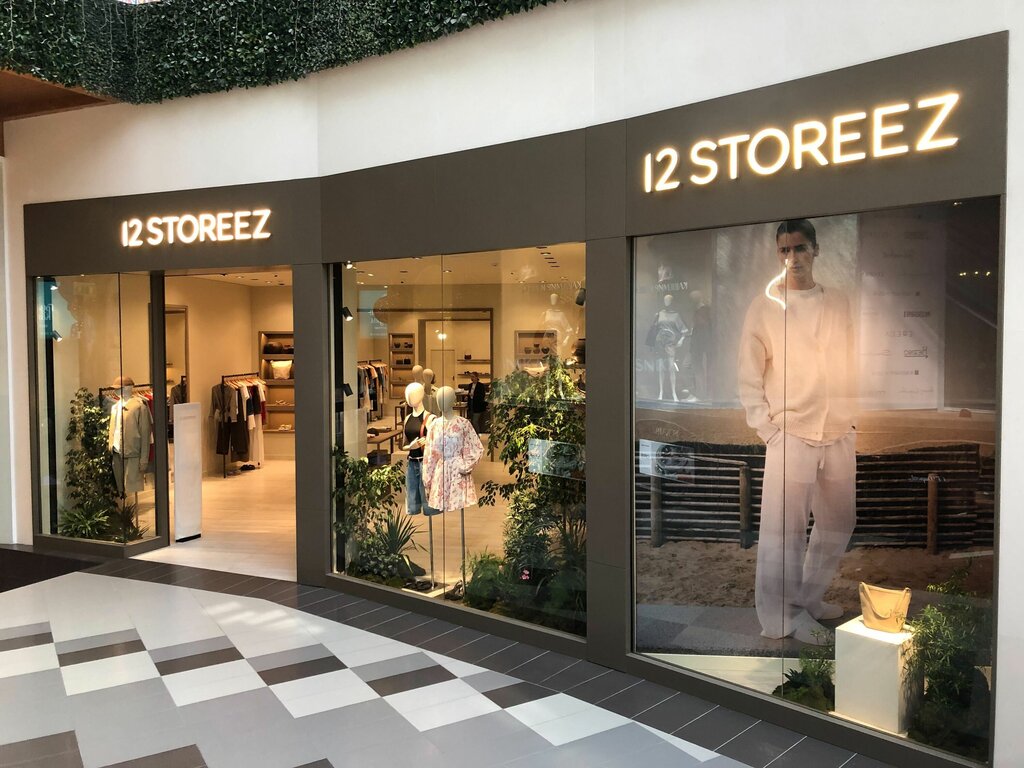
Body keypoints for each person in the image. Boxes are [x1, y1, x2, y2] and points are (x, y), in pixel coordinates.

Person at [737, 218, 857, 643]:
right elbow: (749, 374)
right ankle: (780, 618)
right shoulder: (765, 306)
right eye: (784, 250)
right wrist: (767, 429)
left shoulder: (838, 301)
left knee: (839, 521)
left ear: (815, 249)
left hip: (839, 430)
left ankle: (807, 598)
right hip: (790, 433)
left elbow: (849, 359)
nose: (792, 257)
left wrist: (850, 414)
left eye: (800, 248)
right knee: (783, 532)